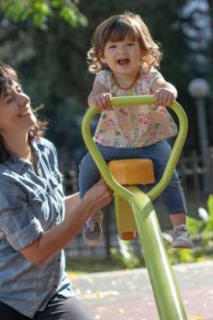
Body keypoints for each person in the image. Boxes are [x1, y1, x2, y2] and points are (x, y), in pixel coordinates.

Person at [0, 64, 113, 320]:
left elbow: (54, 210)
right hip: (0, 296)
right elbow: (38, 251)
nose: (24, 98)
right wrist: (88, 206)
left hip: (51, 293)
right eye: (10, 98)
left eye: (19, 89)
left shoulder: (44, 150)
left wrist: (99, 191)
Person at [79, 12, 193, 249]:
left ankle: (180, 229)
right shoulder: (104, 78)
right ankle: (91, 216)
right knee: (87, 166)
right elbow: (93, 96)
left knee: (169, 173)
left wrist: (167, 92)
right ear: (102, 55)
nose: (122, 51)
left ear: (143, 51)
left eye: (130, 44)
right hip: (112, 142)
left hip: (150, 140)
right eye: (113, 46)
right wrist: (98, 99)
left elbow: (165, 86)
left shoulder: (148, 75)